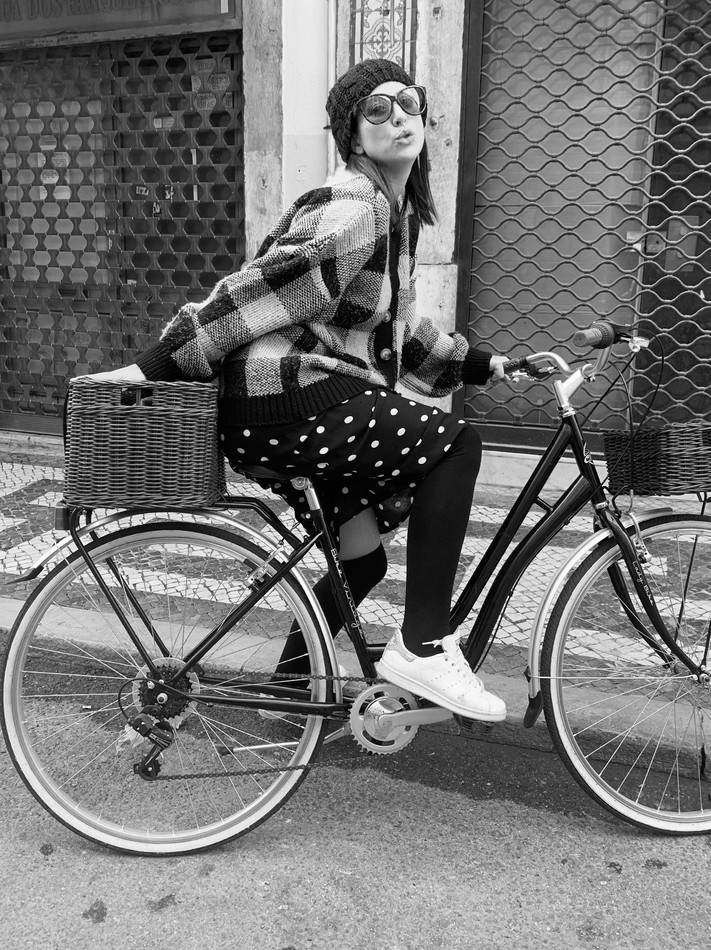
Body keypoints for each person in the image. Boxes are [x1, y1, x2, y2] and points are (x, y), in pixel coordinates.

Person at [87, 58, 507, 722]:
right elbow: (261, 288)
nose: (399, 117)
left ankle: (286, 693)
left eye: (409, 103)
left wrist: (481, 364)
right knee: (454, 446)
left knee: (360, 561)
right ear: (351, 133)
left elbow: (390, 332)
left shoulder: (390, 214)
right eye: (377, 109)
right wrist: (157, 363)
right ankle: (424, 645)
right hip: (289, 400)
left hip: (291, 406)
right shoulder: (356, 204)